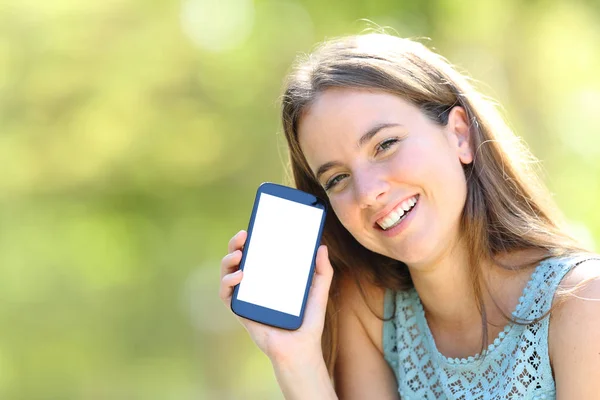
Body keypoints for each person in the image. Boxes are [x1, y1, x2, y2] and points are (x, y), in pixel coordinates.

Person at [219, 33, 600, 399]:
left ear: (460, 135)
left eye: (385, 144)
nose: (368, 192)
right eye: (337, 179)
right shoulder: (370, 312)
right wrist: (293, 357)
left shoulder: (583, 304)